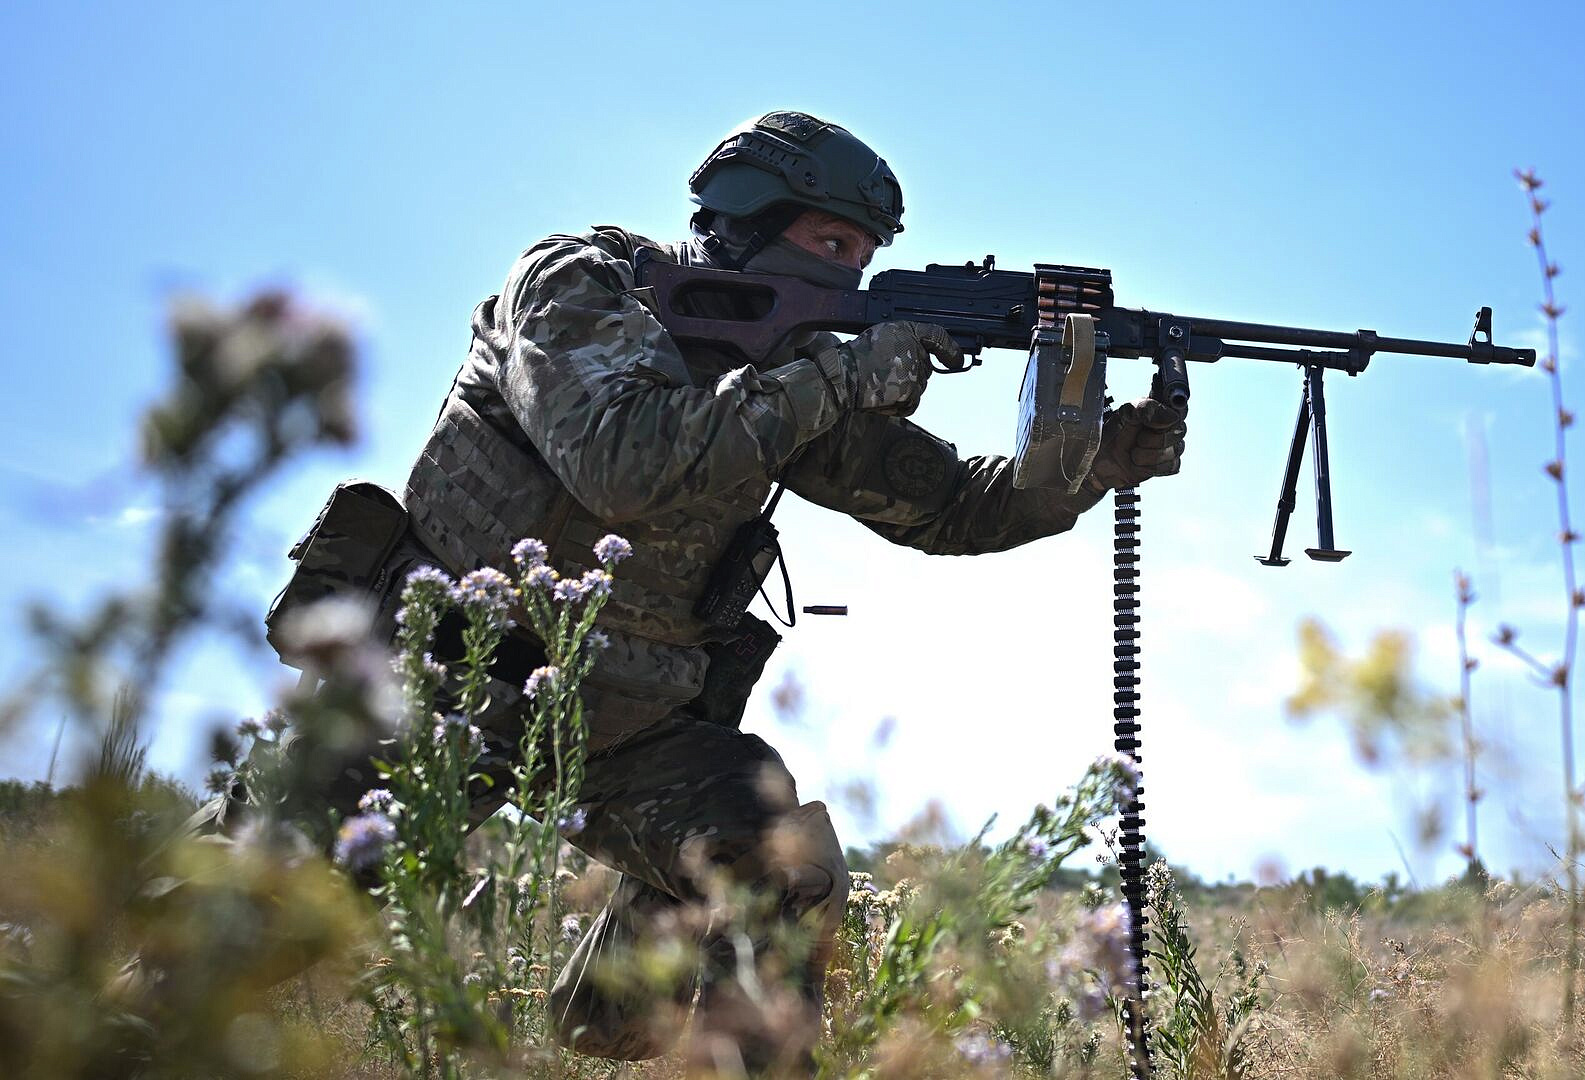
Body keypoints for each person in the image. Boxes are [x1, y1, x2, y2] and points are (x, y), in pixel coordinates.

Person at [381, 110, 1188, 1070]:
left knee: (779, 871)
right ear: (746, 221)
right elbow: (621, 461)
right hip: (439, 681)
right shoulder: (581, 282)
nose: (849, 273)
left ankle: (611, 1018)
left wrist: (1096, 466)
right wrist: (846, 373)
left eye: (865, 254)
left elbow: (949, 509)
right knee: (237, 901)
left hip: (626, 724)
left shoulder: (792, 370)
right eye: (832, 242)